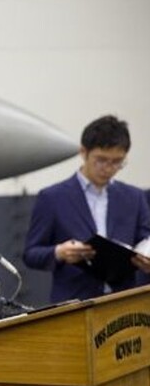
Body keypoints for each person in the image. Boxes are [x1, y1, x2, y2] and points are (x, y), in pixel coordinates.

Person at [23, 115, 150, 302]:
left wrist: (146, 258)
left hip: (124, 302)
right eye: (101, 160)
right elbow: (31, 254)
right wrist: (59, 252)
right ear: (83, 152)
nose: (108, 168)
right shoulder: (52, 198)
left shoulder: (134, 197)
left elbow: (145, 239)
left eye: (117, 162)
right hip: (74, 303)